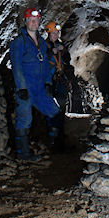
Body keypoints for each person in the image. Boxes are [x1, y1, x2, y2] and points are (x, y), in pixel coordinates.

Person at [9, 7, 60, 161]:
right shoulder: (19, 42)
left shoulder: (43, 44)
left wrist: (48, 82)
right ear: (25, 22)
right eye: (30, 20)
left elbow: (45, 65)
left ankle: (55, 146)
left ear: (39, 22)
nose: (33, 22)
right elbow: (16, 66)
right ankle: (23, 153)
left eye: (36, 20)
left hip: (40, 88)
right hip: (26, 87)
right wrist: (21, 87)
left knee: (54, 111)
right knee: (24, 118)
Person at [45, 21, 67, 151]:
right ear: (49, 33)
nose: (55, 35)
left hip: (59, 80)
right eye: (53, 33)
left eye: (57, 32)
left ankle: (60, 141)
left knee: (61, 110)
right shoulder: (43, 45)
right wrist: (49, 52)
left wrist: (63, 51)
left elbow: (67, 59)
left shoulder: (60, 45)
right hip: (47, 81)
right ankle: (51, 141)